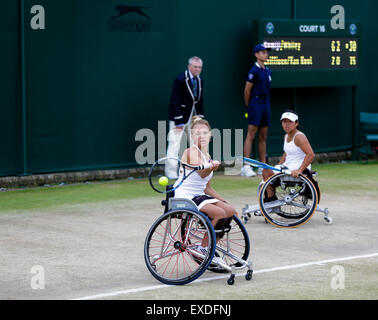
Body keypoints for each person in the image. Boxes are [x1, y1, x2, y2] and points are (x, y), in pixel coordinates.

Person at [173, 116, 237, 263]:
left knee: (230, 211)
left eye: (204, 133)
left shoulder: (207, 155)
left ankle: (210, 246)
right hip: (185, 196)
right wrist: (212, 166)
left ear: (210, 136)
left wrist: (223, 200)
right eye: (197, 133)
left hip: (200, 195)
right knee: (219, 213)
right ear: (192, 137)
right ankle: (203, 248)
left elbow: (207, 187)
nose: (201, 136)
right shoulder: (190, 152)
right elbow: (202, 173)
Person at [262, 110, 315, 201]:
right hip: (288, 166)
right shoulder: (286, 136)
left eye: (290, 121)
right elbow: (286, 154)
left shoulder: (299, 137)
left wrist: (299, 170)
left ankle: (271, 200)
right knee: (266, 171)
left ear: (296, 123)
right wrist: (277, 166)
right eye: (284, 121)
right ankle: (271, 199)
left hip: (297, 168)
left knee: (266, 172)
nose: (287, 124)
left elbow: (311, 155)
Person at [165, 56, 204, 179]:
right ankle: (171, 172)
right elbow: (175, 100)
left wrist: (199, 119)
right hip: (179, 118)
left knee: (195, 144)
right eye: (195, 67)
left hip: (193, 118)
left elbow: (199, 101)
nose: (197, 69)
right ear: (189, 67)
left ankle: (194, 169)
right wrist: (179, 121)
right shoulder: (180, 79)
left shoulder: (200, 80)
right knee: (174, 144)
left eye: (199, 67)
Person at [241, 44, 272, 177]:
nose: (266, 54)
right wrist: (249, 106)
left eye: (266, 52)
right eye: (263, 52)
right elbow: (247, 90)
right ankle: (246, 166)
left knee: (263, 136)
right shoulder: (253, 71)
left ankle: (262, 165)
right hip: (255, 104)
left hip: (266, 104)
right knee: (251, 134)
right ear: (257, 55)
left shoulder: (268, 71)